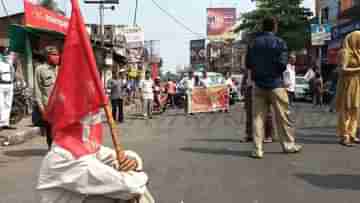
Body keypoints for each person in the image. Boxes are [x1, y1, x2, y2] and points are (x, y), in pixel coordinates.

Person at [37, 112, 155, 203]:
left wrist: (133, 162)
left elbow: (118, 156)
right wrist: (142, 176)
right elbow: (128, 187)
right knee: (136, 192)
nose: (92, 122)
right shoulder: (62, 156)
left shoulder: (84, 146)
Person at [245, 17, 302, 158]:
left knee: (257, 118)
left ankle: (257, 149)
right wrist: (273, 73)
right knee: (283, 117)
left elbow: (248, 63)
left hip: (258, 85)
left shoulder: (253, 44)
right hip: (276, 84)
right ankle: (288, 145)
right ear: (274, 27)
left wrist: (259, 72)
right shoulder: (280, 42)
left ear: (262, 27)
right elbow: (283, 64)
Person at [336, 31, 360, 147]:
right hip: (347, 84)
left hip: (357, 83)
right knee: (345, 110)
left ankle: (352, 134)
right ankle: (344, 135)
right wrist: (358, 70)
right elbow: (341, 70)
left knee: (355, 110)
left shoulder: (357, 52)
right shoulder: (345, 52)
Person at [34, 47, 59, 150]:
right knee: (50, 130)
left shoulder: (60, 68)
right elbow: (38, 91)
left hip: (61, 106)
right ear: (47, 56)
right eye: (53, 55)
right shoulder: (40, 70)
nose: (57, 57)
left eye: (57, 54)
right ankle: (51, 149)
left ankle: (60, 150)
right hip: (48, 106)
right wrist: (42, 109)